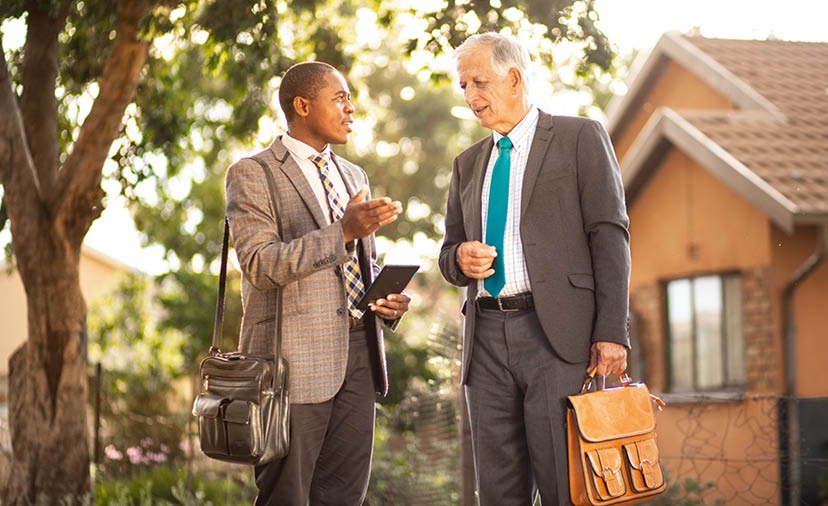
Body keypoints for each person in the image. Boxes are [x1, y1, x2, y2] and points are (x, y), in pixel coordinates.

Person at [438, 32, 631, 505]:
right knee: (498, 494)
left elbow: (609, 235)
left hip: (557, 339)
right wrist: (460, 258)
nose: (470, 96)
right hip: (484, 341)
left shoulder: (579, 137)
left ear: (514, 78)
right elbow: (448, 255)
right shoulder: (466, 165)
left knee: (567, 487)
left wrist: (611, 331)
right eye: (463, 86)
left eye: (478, 82)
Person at [225, 61, 411, 505]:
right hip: (292, 364)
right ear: (302, 105)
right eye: (340, 97)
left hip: (360, 355)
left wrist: (385, 299)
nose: (351, 108)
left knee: (345, 496)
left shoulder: (354, 176)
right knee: (286, 495)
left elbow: (355, 264)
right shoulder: (254, 173)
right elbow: (259, 264)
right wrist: (342, 231)